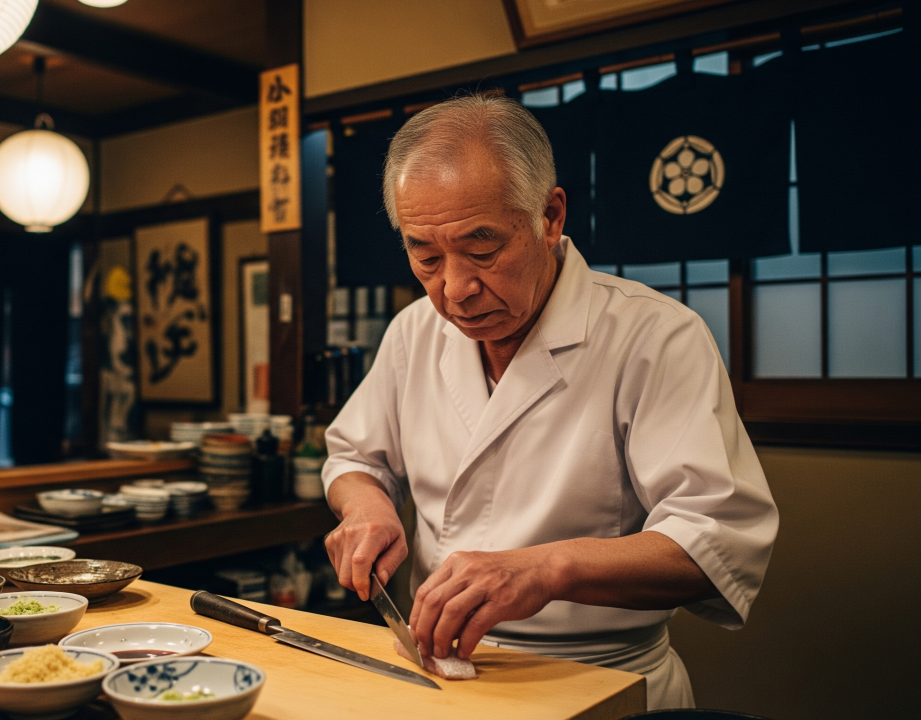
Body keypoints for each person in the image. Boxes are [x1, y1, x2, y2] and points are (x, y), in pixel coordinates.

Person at [321, 95, 779, 709]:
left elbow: (717, 539)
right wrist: (365, 508)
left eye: (482, 249)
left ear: (550, 216)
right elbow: (356, 457)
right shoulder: (413, 332)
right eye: (425, 255)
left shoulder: (655, 336)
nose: (455, 289)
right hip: (435, 674)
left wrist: (545, 569)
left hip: (599, 680)